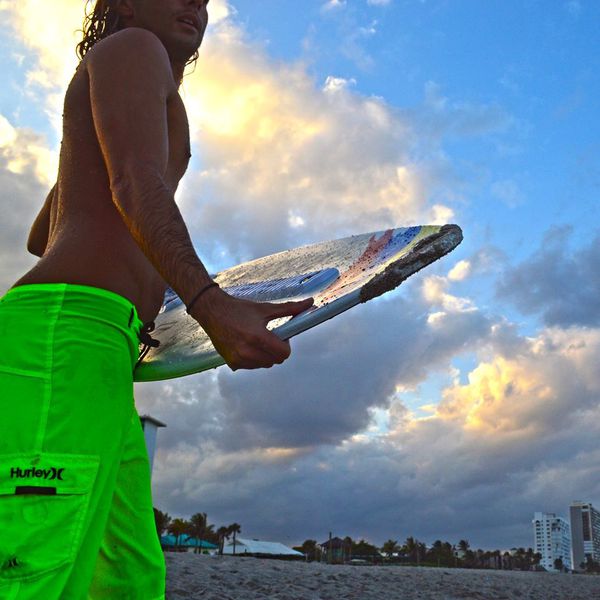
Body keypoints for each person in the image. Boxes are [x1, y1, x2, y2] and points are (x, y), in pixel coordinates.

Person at [0, 1, 312, 598]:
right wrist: (209, 304)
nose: (196, 4)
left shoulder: (139, 76)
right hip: (66, 338)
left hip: (104, 351)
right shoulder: (132, 47)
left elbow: (42, 235)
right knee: (33, 570)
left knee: (127, 578)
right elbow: (134, 184)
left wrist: (87, 162)